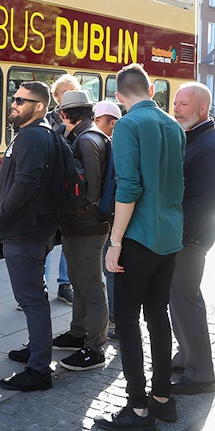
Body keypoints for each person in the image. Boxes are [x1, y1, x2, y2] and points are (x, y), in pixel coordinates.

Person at [94, 64, 184, 431]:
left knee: (128, 321)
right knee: (158, 316)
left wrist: (114, 242)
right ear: (151, 87)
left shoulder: (128, 125)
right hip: (169, 237)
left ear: (119, 96)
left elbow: (128, 188)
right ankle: (162, 399)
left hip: (138, 237)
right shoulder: (174, 125)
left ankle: (137, 408)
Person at [0, 81, 61, 392]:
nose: (15, 104)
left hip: (25, 231)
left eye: (22, 100)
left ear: (40, 106)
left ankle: (39, 370)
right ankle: (37, 350)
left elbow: (26, 182)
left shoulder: (33, 137)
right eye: (14, 98)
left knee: (32, 299)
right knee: (34, 296)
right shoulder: (36, 134)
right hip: (32, 229)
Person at [168, 83, 215, 395]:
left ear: (202, 108)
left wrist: (180, 238)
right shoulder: (193, 136)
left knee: (186, 302)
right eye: (176, 102)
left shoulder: (209, 145)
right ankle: (186, 356)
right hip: (184, 236)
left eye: (183, 104)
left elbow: (202, 204)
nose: (176, 108)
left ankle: (201, 374)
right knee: (180, 301)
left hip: (189, 239)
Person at [50, 90, 111, 372]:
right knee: (80, 281)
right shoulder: (89, 136)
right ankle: (78, 333)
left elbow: (90, 191)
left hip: (86, 225)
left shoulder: (86, 141)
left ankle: (95, 347)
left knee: (90, 286)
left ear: (66, 114)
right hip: (83, 225)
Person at [45, 75, 80, 305]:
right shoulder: (48, 119)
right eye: (61, 96)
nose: (64, 100)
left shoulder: (84, 118)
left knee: (69, 237)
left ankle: (64, 283)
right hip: (50, 187)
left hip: (72, 188)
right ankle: (39, 284)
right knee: (45, 238)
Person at [94, 99, 122, 337]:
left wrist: (104, 212)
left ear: (112, 123)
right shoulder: (105, 142)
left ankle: (116, 317)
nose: (94, 124)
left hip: (113, 219)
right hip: (113, 217)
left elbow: (112, 184)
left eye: (97, 120)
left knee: (111, 268)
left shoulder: (112, 145)